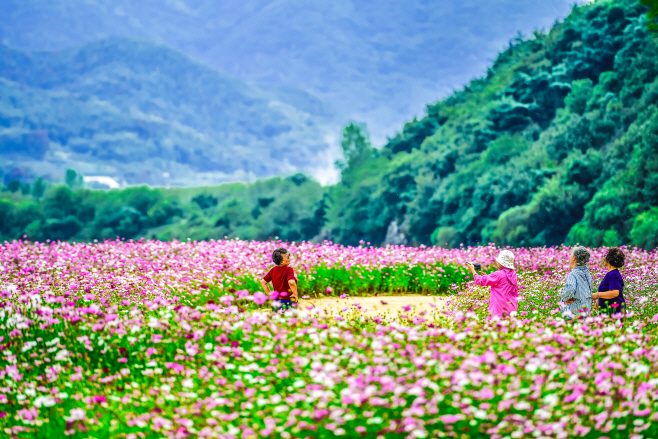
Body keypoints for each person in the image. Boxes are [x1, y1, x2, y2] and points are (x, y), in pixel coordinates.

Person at [466, 250, 518, 317]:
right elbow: (501, 281)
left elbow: (480, 281)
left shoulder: (498, 274)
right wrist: (486, 276)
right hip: (511, 309)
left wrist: (473, 271)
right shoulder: (513, 274)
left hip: (499, 309)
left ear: (500, 262)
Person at [259, 248, 298, 312]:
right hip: (288, 300)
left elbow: (263, 282)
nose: (289, 257)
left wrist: (270, 295)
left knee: (277, 320)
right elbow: (291, 282)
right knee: (290, 320)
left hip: (276, 302)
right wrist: (295, 295)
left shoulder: (273, 270)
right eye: (287, 256)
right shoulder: (288, 269)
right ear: (282, 262)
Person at [560, 246, 593, 319]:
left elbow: (570, 289)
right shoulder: (587, 273)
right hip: (586, 311)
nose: (569, 256)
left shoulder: (574, 274)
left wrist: (566, 298)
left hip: (574, 313)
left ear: (574, 258)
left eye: (571, 254)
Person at [591, 247, 626, 317]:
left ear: (609, 260)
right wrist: (599, 300)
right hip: (608, 312)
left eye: (605, 256)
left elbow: (615, 293)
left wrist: (597, 295)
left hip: (615, 313)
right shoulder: (611, 274)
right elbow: (607, 290)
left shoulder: (613, 275)